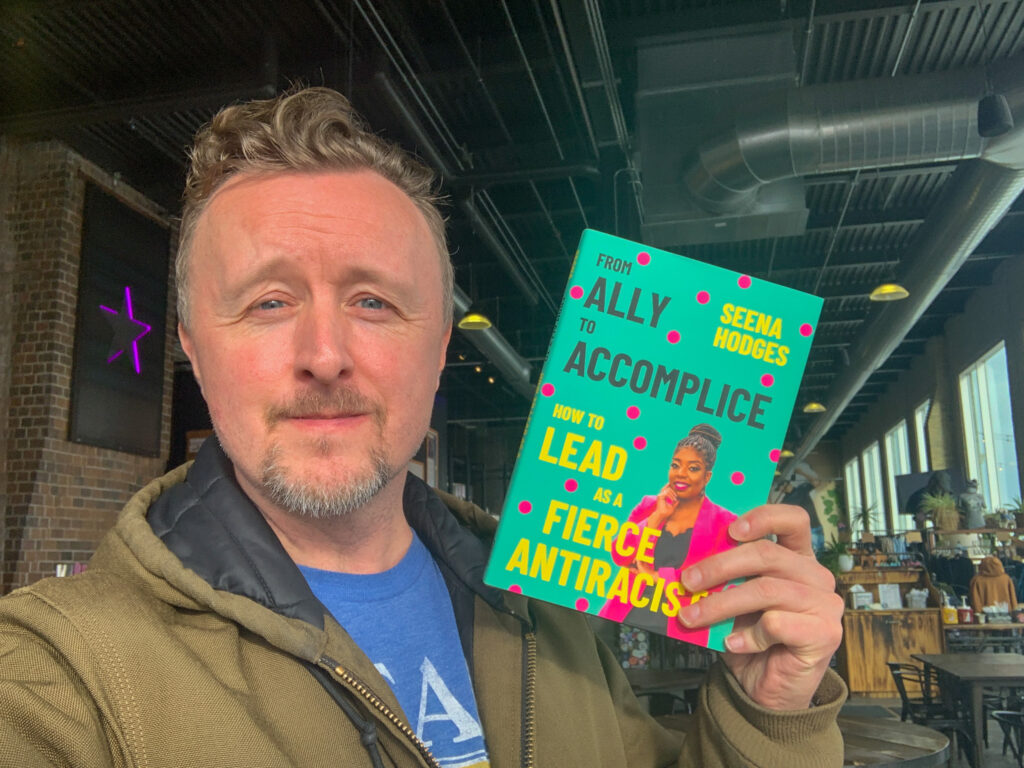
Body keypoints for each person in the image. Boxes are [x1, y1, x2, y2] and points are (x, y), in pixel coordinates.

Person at [0, 87, 846, 767]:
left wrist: (764, 715)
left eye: (373, 301)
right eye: (268, 302)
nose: (325, 354)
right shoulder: (54, 676)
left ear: (439, 346)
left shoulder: (549, 613)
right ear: (191, 347)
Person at [599, 425, 737, 647]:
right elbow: (620, 555)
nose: (680, 474)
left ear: (707, 476)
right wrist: (656, 517)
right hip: (620, 621)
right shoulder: (648, 505)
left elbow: (713, 582)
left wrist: (655, 576)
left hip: (679, 635)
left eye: (693, 468)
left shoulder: (725, 522)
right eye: (675, 465)